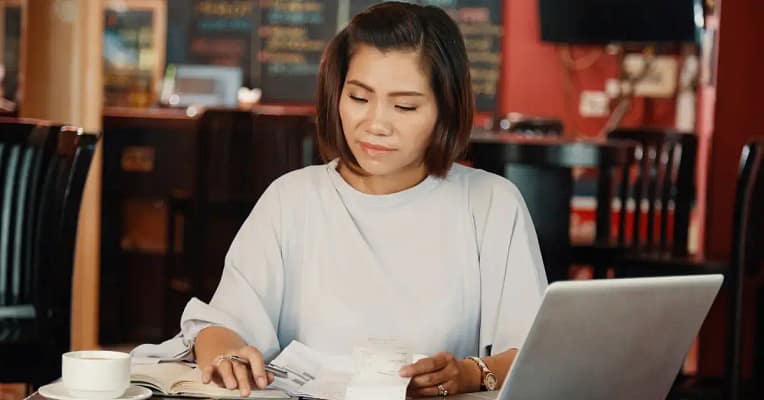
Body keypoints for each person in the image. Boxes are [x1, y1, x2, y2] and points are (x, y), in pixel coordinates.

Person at [136, 2, 547, 398]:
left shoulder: (491, 204)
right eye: (358, 98)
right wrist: (226, 354)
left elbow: (538, 354)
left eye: (404, 105)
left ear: (446, 109)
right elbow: (221, 327)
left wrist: (468, 373)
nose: (375, 124)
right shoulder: (292, 200)